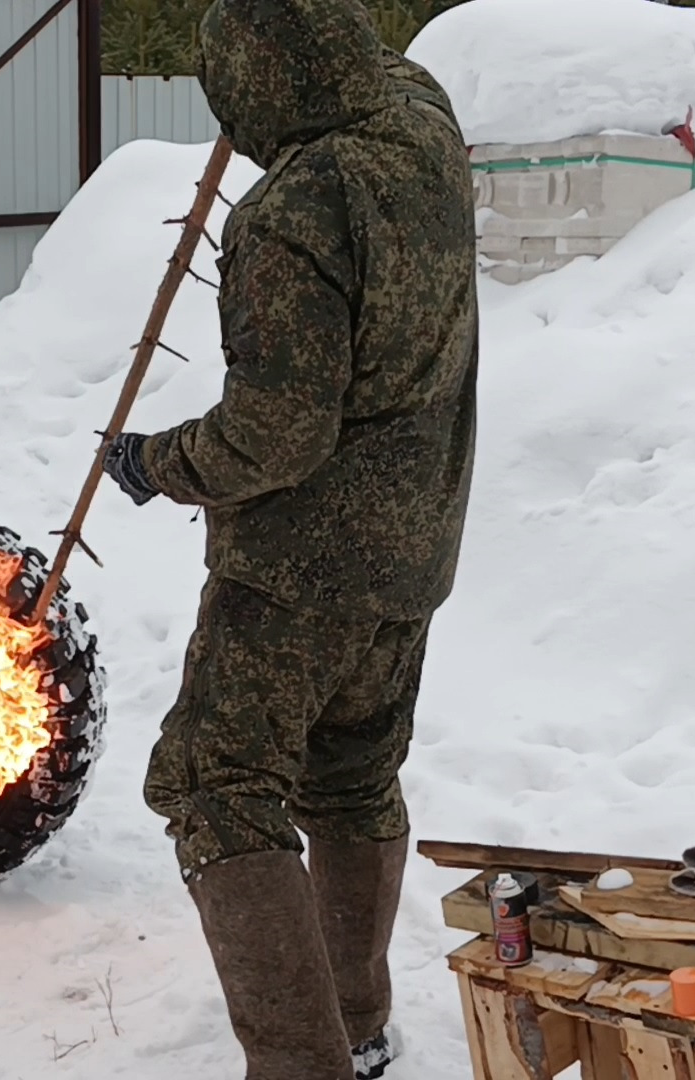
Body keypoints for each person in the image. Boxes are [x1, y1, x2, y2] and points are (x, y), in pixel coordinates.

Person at [99, 1, 478, 1077]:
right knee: (354, 779)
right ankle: (354, 1027)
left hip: (296, 570)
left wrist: (157, 463)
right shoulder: (423, 126)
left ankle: (299, 1063)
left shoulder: (292, 213)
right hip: (414, 547)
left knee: (218, 786)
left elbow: (279, 430)